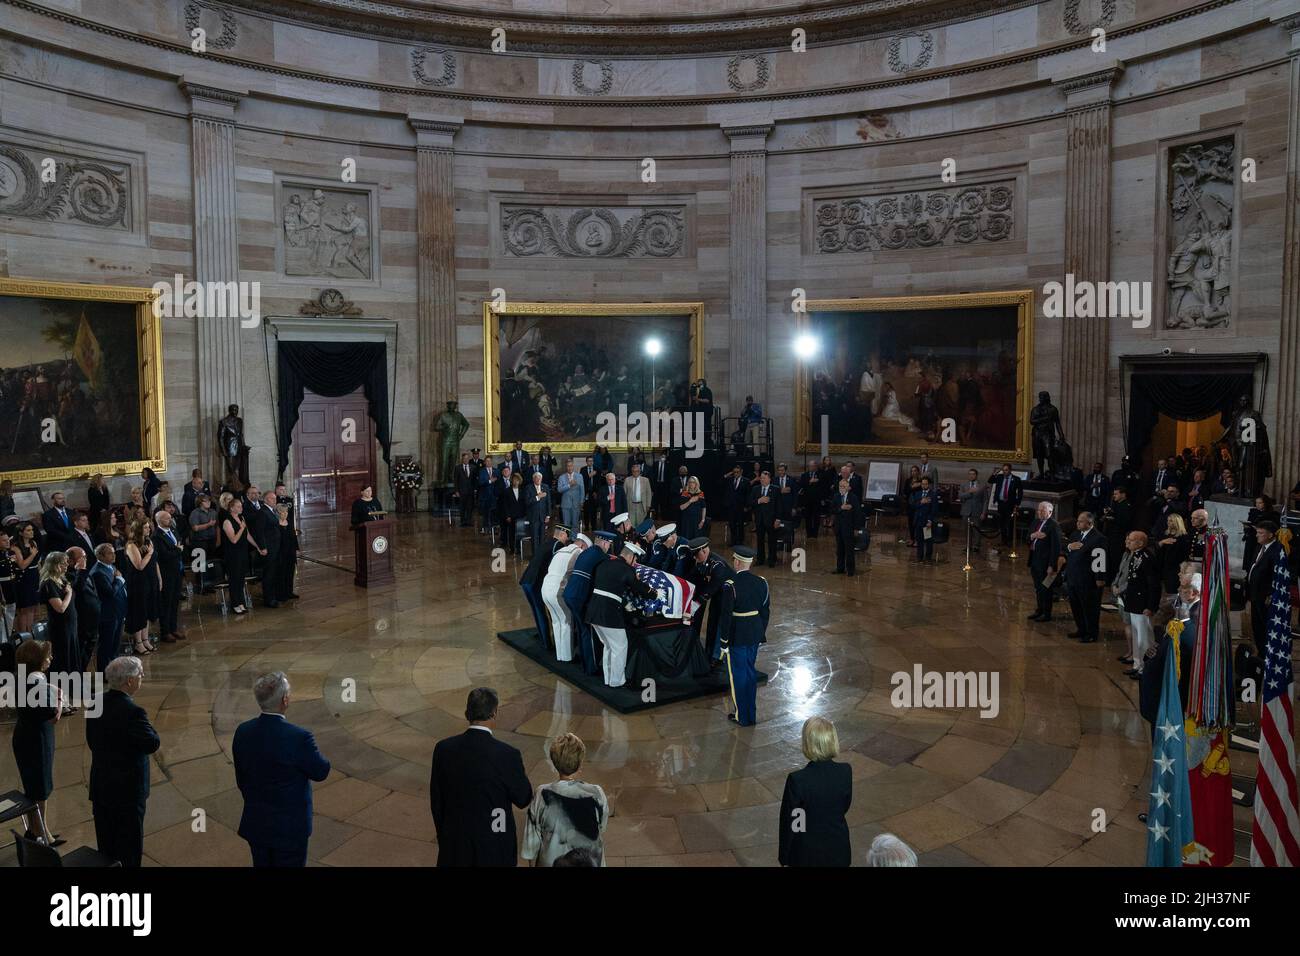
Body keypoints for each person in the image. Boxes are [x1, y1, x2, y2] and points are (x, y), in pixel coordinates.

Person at [233, 672, 331, 867]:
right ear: (285, 700)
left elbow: (242, 779)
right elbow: (321, 771)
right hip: (289, 828)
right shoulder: (299, 737)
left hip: (257, 823)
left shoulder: (243, 731)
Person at [429, 687, 534, 867]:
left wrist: (445, 836)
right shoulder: (507, 755)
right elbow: (523, 798)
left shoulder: (444, 749)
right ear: (494, 713)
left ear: (467, 713)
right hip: (494, 846)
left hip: (455, 845)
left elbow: (437, 802)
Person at [86, 656, 159, 866]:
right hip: (128, 791)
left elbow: (92, 741)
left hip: (102, 786)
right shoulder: (134, 712)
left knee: (106, 846)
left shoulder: (95, 702)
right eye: (140, 674)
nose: (142, 677)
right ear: (129, 681)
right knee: (130, 848)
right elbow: (152, 743)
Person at [521, 733, 609, 867]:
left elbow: (532, 843)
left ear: (554, 762)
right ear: (580, 764)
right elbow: (601, 827)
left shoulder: (542, 794)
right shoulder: (597, 793)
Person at [778, 716, 852, 867]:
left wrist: (784, 856)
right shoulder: (845, 771)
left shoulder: (798, 780)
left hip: (807, 854)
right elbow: (844, 806)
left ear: (807, 744)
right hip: (839, 849)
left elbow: (793, 824)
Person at [10, 639, 62, 844]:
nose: (50, 658)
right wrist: (59, 697)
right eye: (46, 656)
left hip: (26, 736)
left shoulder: (22, 678)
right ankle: (43, 834)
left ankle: (35, 830)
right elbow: (53, 716)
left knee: (34, 788)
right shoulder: (36, 685)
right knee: (40, 789)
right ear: (37, 661)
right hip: (36, 740)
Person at [586, 541, 657, 687]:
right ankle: (616, 681)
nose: (636, 562)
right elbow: (638, 588)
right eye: (636, 559)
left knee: (608, 646)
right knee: (620, 645)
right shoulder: (626, 570)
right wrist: (654, 594)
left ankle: (609, 678)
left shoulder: (604, 563)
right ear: (630, 556)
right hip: (608, 614)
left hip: (593, 611)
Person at [717, 544, 770, 725]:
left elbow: (725, 617)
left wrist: (723, 642)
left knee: (738, 675)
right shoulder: (761, 582)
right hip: (754, 634)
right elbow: (765, 612)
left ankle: (742, 716)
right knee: (750, 672)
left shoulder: (730, 585)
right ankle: (751, 714)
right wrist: (760, 632)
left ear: (738, 562)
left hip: (737, 635)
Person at [564, 531, 615, 677]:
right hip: (579, 597)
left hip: (569, 594)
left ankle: (585, 663)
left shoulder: (586, 552)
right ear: (605, 543)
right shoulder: (601, 555)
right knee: (588, 631)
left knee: (581, 629)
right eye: (609, 545)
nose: (609, 547)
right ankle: (591, 667)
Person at [1112, 530, 1159, 679]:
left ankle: (1145, 668)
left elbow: (1153, 585)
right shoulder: (1135, 555)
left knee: (1144, 638)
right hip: (1133, 601)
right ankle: (1137, 665)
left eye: (1131, 540)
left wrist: (1151, 606)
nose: (1128, 542)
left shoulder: (1147, 558)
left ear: (1140, 543)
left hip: (1143, 604)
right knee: (1136, 635)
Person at [1059, 511, 1108, 643]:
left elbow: (1100, 559)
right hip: (1073, 577)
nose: (1077, 523)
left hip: (1088, 579)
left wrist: (1099, 578)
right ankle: (1081, 629)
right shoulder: (1075, 534)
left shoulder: (1098, 538)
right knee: (1076, 606)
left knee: (1089, 608)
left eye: (1081, 521)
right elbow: (1064, 545)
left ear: (1089, 523)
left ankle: (1091, 633)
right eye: (1078, 521)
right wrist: (1070, 546)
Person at [542, 533, 588, 661]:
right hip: (557, 590)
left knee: (556, 622)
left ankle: (560, 655)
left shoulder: (561, 550)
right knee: (567, 622)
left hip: (545, 588)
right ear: (583, 545)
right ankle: (567, 657)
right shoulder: (578, 552)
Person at [38, 551, 77, 698]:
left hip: (70, 626)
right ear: (54, 565)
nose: (66, 565)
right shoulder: (48, 583)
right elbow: (60, 608)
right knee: (61, 660)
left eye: (67, 562)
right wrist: (68, 594)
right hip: (60, 628)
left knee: (70, 658)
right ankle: (58, 694)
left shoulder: (61, 579)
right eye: (63, 563)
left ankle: (69, 691)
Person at [1245, 518, 1284, 656]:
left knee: (1264, 626)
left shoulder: (1278, 550)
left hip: (1265, 597)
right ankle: (1261, 653)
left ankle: (1268, 654)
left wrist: (1270, 594)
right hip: (1255, 594)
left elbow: (1277, 576)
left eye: (1261, 533)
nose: (1257, 535)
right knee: (1257, 626)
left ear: (1270, 535)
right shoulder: (1260, 546)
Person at [123, 520, 160, 652]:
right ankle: (138, 642)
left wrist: (159, 579)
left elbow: (155, 562)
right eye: (145, 527)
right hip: (138, 582)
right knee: (139, 611)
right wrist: (149, 553)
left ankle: (145, 639)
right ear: (138, 529)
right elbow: (139, 566)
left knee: (148, 610)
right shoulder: (131, 545)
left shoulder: (149, 542)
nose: (148, 529)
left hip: (150, 579)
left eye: (148, 527)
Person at [1153, 513, 1191, 628]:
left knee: (1171, 595)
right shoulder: (1164, 535)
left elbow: (1185, 556)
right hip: (1163, 569)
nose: (1169, 523)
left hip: (1174, 570)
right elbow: (1157, 549)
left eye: (1171, 521)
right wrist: (1161, 543)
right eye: (1168, 520)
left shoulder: (1183, 538)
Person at [1025, 501, 1062, 622]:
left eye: (1042, 510)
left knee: (1045, 588)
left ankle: (1046, 613)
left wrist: (1052, 565)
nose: (1039, 512)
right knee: (1037, 587)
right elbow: (1027, 537)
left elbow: (1056, 548)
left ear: (1050, 512)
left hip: (1045, 562)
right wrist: (1033, 536)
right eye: (1038, 510)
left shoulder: (1053, 525)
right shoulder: (1036, 522)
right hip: (1035, 559)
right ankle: (1039, 610)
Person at [152, 510, 186, 641]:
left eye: (170, 518)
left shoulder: (173, 530)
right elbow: (163, 555)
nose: (170, 520)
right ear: (159, 521)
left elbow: (179, 545)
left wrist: (177, 550)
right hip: (166, 573)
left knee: (175, 601)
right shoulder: (156, 536)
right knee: (166, 602)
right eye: (167, 519)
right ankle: (165, 631)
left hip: (177, 570)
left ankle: (173, 628)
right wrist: (177, 550)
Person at [88, 544, 122, 672]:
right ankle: (104, 672)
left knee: (115, 645)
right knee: (106, 645)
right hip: (107, 614)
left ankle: (114, 670)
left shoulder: (110, 566)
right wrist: (119, 579)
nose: (114, 555)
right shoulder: (98, 572)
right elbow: (110, 592)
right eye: (110, 553)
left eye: (114, 552)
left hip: (116, 611)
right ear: (100, 556)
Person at [222, 499, 259, 616]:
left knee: (241, 579)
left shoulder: (242, 518)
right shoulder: (227, 521)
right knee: (234, 580)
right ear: (231, 508)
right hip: (233, 554)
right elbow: (233, 540)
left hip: (243, 553)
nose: (241, 508)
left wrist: (258, 546)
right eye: (238, 506)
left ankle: (241, 602)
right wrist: (242, 528)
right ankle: (235, 604)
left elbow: (247, 536)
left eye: (241, 506)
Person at [252, 490, 282, 608]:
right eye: (272, 499)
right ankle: (269, 599)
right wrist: (263, 547)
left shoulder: (272, 511)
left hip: (275, 546)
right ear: (265, 500)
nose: (275, 500)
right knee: (269, 574)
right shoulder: (262, 512)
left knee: (273, 572)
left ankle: (274, 596)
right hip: (268, 548)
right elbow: (259, 532)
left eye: (275, 498)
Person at [12, 521, 41, 634]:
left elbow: (37, 562)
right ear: (21, 533)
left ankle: (31, 632)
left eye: (32, 530)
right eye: (28, 530)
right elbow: (22, 565)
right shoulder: (16, 547)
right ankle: (24, 635)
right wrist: (32, 554)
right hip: (24, 578)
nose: (31, 532)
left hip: (34, 575)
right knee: (24, 608)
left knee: (33, 607)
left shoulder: (33, 543)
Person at [988, 463, 1022, 550]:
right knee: (1002, 522)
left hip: (1010, 504)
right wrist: (995, 473)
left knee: (1010, 523)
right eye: (1003, 470)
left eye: (1006, 470)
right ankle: (1003, 540)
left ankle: (1009, 541)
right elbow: (990, 481)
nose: (1004, 472)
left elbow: (1020, 493)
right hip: (1001, 503)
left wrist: (1017, 504)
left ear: (1010, 470)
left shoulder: (1016, 479)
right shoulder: (999, 477)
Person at [748, 470, 778, 567]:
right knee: (760, 540)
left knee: (771, 540)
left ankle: (772, 560)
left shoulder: (775, 489)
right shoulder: (755, 489)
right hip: (759, 520)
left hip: (771, 520)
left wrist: (778, 519)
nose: (762, 480)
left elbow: (779, 506)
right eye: (761, 478)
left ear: (769, 479)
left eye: (764, 478)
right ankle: (760, 559)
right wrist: (759, 501)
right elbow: (749, 503)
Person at [831, 478, 861, 577]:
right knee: (839, 550)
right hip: (839, 528)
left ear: (848, 488)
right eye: (840, 486)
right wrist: (841, 508)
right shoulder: (836, 497)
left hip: (849, 528)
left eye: (843, 486)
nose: (841, 488)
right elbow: (832, 509)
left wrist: (856, 528)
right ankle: (840, 568)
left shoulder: (853, 498)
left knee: (849, 550)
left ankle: (850, 570)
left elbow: (857, 514)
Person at [275, 504, 299, 601]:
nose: (285, 514)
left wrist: (296, 549)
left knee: (290, 572)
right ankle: (281, 594)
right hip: (281, 553)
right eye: (283, 512)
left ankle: (289, 592)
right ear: (278, 513)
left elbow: (294, 537)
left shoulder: (289, 522)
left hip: (290, 552)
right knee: (281, 573)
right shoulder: (276, 524)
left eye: (286, 512)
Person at [911, 475, 937, 562]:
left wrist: (930, 520)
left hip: (927, 521)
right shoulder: (918, 493)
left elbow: (934, 509)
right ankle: (919, 556)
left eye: (925, 484)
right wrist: (921, 502)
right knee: (919, 539)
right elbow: (914, 505)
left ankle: (928, 557)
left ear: (928, 485)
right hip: (918, 520)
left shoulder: (933, 495)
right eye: (922, 484)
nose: (923, 486)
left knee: (928, 540)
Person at [723, 466, 749, 547]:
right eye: (734, 472)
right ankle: (733, 541)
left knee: (740, 524)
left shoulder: (746, 481)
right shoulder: (730, 479)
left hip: (741, 507)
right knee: (732, 524)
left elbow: (747, 495)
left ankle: (740, 541)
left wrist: (746, 506)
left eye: (737, 472)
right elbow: (721, 481)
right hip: (731, 506)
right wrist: (729, 474)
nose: (736, 473)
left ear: (741, 472)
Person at [557, 458, 585, 533]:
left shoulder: (579, 476)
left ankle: (574, 540)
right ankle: (566, 540)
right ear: (566, 467)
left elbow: (582, 490)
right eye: (568, 466)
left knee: (575, 524)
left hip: (576, 503)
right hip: (565, 504)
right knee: (566, 524)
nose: (569, 468)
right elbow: (559, 490)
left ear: (573, 466)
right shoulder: (561, 477)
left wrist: (582, 501)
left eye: (571, 466)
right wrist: (569, 485)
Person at [525, 471, 550, 550]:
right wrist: (538, 497)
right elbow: (527, 502)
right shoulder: (528, 488)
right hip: (533, 517)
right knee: (534, 537)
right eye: (536, 478)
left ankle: (541, 556)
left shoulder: (545, 487)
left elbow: (548, 502)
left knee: (542, 538)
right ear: (533, 479)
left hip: (543, 517)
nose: (538, 480)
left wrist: (548, 515)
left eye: (540, 478)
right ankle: (535, 557)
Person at [678, 475, 707, 540]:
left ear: (696, 484)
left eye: (693, 482)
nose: (691, 484)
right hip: (686, 520)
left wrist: (703, 520)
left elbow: (704, 508)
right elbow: (681, 508)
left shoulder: (700, 494)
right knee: (686, 539)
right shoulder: (685, 493)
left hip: (697, 520)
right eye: (690, 482)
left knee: (696, 539)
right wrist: (690, 501)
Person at [624, 462, 651, 529]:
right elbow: (624, 494)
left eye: (637, 471)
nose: (635, 473)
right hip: (630, 505)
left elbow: (649, 493)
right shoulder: (627, 480)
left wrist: (648, 505)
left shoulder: (645, 480)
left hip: (641, 505)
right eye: (633, 471)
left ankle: (639, 538)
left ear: (639, 471)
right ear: (631, 471)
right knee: (631, 524)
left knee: (640, 524)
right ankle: (632, 537)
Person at [798, 461, 822, 538]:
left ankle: (815, 534)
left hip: (817, 500)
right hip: (807, 500)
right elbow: (801, 485)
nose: (811, 467)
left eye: (813, 466)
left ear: (816, 466)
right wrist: (809, 482)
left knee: (816, 518)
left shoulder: (820, 475)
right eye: (810, 466)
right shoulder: (804, 475)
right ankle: (809, 533)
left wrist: (818, 481)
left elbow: (824, 485)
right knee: (807, 517)